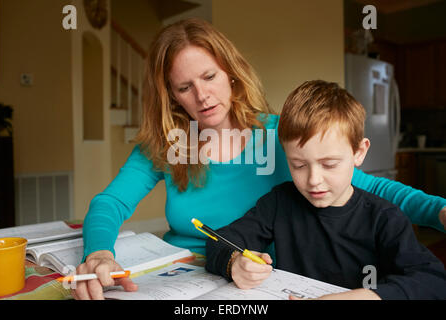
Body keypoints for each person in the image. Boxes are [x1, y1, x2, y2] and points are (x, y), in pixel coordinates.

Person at [72, 18, 446, 300]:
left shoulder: (281, 136)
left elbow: (366, 187)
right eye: (185, 87)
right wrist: (100, 252)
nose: (202, 96)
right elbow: (110, 202)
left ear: (231, 74)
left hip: (253, 284)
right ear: (172, 96)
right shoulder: (169, 143)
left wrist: (440, 211)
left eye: (209, 76)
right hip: (179, 278)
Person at [205, 80, 446, 300]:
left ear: (359, 153)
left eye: (329, 164)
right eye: (298, 165)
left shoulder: (384, 218)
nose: (313, 180)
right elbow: (219, 241)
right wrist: (234, 262)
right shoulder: (279, 203)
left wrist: (367, 297)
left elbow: (433, 281)